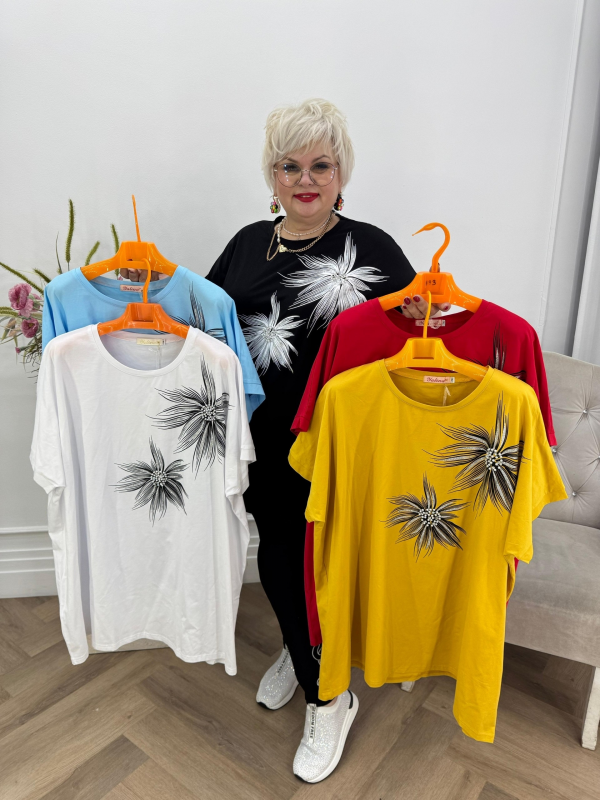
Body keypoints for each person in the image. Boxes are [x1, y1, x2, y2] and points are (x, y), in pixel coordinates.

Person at [120, 98, 438, 783]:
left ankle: (330, 697)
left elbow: (422, 337)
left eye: (320, 165)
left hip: (338, 441)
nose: (305, 179)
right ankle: (302, 649)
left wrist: (430, 324)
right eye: (289, 166)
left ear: (341, 172)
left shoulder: (373, 249)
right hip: (259, 436)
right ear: (271, 175)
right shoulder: (246, 243)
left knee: (314, 561)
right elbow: (201, 326)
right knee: (281, 556)